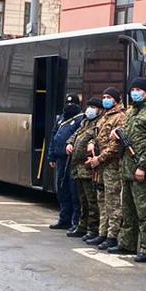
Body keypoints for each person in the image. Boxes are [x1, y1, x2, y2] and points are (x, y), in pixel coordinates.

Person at [117, 77, 146, 263]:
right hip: (128, 167)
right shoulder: (132, 110)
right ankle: (127, 243)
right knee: (128, 209)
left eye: (138, 89)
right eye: (133, 89)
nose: (134, 92)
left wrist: (143, 166)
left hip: (142, 169)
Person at [88, 88, 126, 251]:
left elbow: (115, 145)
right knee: (101, 200)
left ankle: (113, 235)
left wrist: (99, 158)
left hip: (112, 165)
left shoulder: (120, 117)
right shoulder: (105, 116)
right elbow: (97, 136)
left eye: (109, 97)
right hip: (101, 166)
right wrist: (91, 143)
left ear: (116, 100)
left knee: (113, 202)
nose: (105, 100)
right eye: (103, 97)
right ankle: (103, 233)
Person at [68, 98, 102, 241]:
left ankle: (92, 229)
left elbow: (96, 140)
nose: (90, 110)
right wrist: (69, 143)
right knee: (82, 200)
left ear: (99, 110)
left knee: (91, 201)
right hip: (78, 168)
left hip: (88, 168)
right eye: (89, 106)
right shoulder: (84, 122)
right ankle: (82, 226)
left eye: (93, 107)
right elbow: (74, 135)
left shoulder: (98, 123)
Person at [47, 98, 83, 229]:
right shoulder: (61, 119)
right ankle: (64, 219)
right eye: (67, 103)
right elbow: (54, 137)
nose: (69, 106)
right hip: (61, 159)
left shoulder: (81, 119)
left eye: (72, 103)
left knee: (73, 191)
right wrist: (51, 156)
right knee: (62, 190)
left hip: (72, 160)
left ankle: (75, 221)